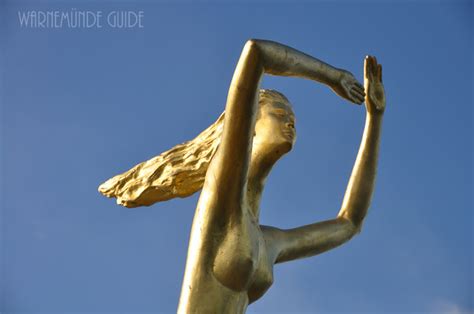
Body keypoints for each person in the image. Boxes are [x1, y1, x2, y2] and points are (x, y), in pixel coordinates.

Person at [99, 39, 386, 313]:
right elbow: (256, 52)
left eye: (293, 119)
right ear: (251, 124)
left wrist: (374, 118)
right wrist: (332, 76)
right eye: (278, 113)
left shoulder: (268, 242)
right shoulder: (223, 192)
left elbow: (349, 222)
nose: (290, 122)